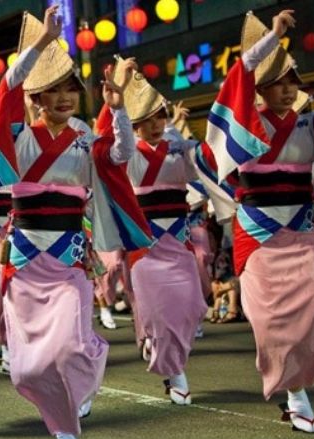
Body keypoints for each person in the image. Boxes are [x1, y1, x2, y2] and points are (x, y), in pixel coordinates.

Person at [0, 8, 150, 439]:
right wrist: (43, 42)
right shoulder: (16, 135)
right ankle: (63, 418)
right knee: (27, 368)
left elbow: (119, 155)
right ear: (37, 98)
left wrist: (119, 111)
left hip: (69, 260)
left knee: (70, 349)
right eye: (54, 91)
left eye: (71, 89)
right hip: (26, 263)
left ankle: (67, 430)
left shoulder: (86, 134)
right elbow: (9, 86)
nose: (65, 97)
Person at [204, 9, 314, 433]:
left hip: (301, 231)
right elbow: (237, 76)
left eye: (292, 81)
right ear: (258, 87)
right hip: (257, 235)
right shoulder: (245, 127)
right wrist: (272, 38)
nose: (287, 89)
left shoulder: (311, 125)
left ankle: (300, 382)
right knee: (270, 321)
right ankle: (295, 394)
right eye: (277, 82)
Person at [114, 57, 208, 405]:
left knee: (191, 307)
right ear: (134, 123)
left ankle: (159, 346)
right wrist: (120, 100)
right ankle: (175, 371)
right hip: (144, 250)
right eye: (146, 119)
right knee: (157, 312)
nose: (155, 124)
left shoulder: (178, 149)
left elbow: (205, 172)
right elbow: (117, 142)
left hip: (179, 245)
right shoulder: (126, 154)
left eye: (160, 117)